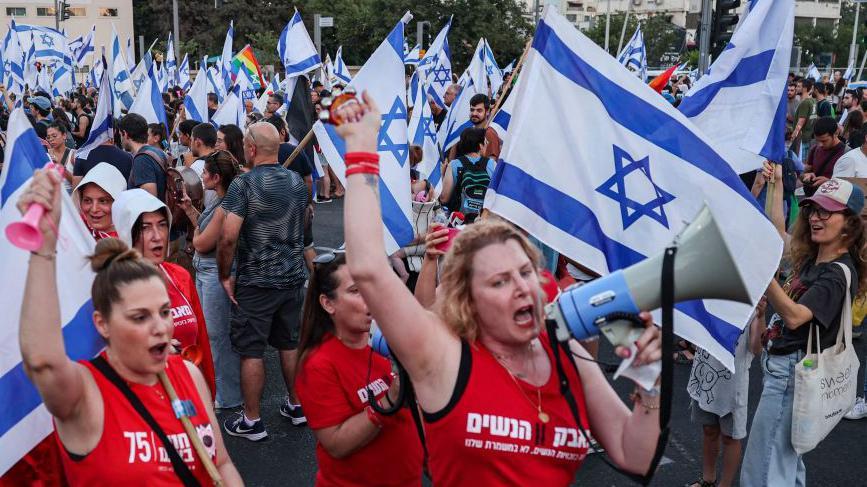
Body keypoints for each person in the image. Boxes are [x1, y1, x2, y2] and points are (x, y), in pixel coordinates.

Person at [337, 92, 663, 484]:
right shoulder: (440, 354)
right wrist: (360, 147)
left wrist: (651, 382)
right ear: (466, 301)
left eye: (526, 272)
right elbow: (370, 269)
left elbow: (635, 455)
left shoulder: (564, 351)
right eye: (500, 281)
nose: (523, 287)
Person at [14, 169, 242, 485]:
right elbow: (43, 362)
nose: (161, 326)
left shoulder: (188, 376)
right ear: (102, 324)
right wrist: (43, 250)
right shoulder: (87, 393)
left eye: (164, 312)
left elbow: (223, 464)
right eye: (139, 317)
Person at [741, 170, 866, 486]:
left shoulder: (836, 274)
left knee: (764, 469)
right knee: (783, 462)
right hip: (786, 373)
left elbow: (796, 316)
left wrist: (763, 276)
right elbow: (777, 233)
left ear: (850, 224)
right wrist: (776, 183)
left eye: (827, 211)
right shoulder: (815, 259)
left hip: (791, 377)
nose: (815, 217)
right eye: (813, 209)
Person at [294, 253, 425, 486]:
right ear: (328, 303)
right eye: (355, 291)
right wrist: (388, 401)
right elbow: (336, 444)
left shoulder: (386, 338)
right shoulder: (317, 364)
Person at [219, 122, 310, 440]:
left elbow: (228, 237)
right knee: (289, 343)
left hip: (256, 281)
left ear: (252, 148)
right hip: (292, 277)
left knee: (252, 350)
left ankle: (252, 420)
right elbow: (304, 223)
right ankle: (296, 405)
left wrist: (224, 274)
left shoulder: (243, 185)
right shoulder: (297, 181)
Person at [112, 188, 217, 392]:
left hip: (192, 390)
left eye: (161, 225)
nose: (157, 236)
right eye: (145, 228)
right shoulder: (117, 289)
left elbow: (202, 339)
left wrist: (209, 391)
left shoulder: (180, 276)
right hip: (151, 401)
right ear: (127, 232)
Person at [179, 150, 244, 410]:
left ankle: (228, 396)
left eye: (205, 173)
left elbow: (201, 242)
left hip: (216, 273)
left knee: (218, 336)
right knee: (210, 333)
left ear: (216, 178)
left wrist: (196, 234)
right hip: (208, 272)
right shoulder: (218, 201)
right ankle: (220, 389)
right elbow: (202, 232)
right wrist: (189, 210)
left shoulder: (226, 205)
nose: (202, 176)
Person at [440, 127, 496, 221]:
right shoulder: (492, 164)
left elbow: (444, 198)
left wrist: (442, 173)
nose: (487, 145)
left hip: (460, 221)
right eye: (486, 142)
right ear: (480, 146)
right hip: (484, 221)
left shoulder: (454, 164)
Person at [120, 113, 169, 201]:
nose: (121, 139)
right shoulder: (157, 151)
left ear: (125, 134)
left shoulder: (142, 159)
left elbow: (149, 202)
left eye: (121, 135)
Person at [71, 162, 127, 240]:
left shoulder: (129, 243)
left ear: (118, 203)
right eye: (87, 200)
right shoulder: (75, 229)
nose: (94, 209)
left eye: (103, 201)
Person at [802, 117, 846, 192]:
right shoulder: (815, 148)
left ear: (836, 133)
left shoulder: (846, 153)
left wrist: (829, 182)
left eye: (824, 141)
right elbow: (807, 170)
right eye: (817, 140)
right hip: (815, 197)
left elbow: (849, 185)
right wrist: (807, 176)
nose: (820, 144)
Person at [46, 123, 77, 192]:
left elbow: (77, 183)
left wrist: (60, 166)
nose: (51, 139)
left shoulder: (73, 155)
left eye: (54, 136)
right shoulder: (46, 155)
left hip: (68, 197)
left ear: (64, 136)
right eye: (48, 137)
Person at [792, 78, 817, 161]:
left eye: (798, 86)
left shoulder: (805, 103)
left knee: (799, 163)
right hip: (809, 136)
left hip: (801, 138)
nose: (796, 88)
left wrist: (794, 135)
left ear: (805, 89)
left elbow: (801, 122)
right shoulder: (813, 101)